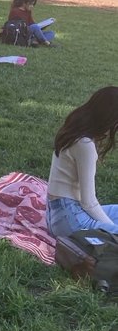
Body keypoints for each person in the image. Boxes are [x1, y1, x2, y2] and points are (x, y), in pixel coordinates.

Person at [47, 87, 118, 237]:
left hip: (57, 214)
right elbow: (89, 203)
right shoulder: (85, 145)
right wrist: (113, 230)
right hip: (70, 220)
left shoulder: (74, 130)